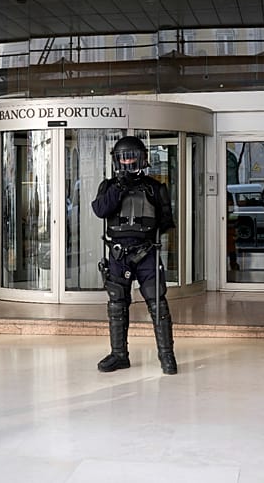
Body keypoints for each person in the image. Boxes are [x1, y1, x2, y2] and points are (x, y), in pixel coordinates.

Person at [92, 136, 177, 374]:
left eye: (131, 156)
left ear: (141, 158)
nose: (127, 161)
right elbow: (100, 210)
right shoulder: (108, 186)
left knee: (158, 303)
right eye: (123, 157)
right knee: (117, 304)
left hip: (147, 253)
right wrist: (120, 186)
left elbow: (165, 221)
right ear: (117, 160)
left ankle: (167, 356)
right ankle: (119, 355)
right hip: (118, 254)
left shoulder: (155, 187)